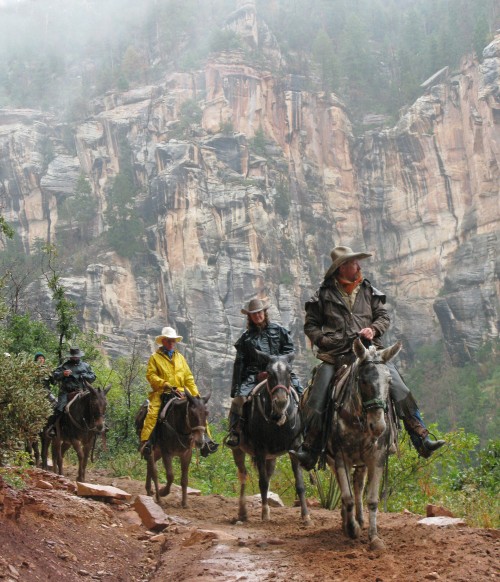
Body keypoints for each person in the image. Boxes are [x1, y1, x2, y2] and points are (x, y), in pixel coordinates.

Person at [291, 246, 445, 471]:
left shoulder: (368, 289)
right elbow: (310, 326)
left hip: (370, 354)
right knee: (317, 396)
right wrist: (325, 340)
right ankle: (310, 448)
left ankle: (420, 437)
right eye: (354, 263)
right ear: (342, 267)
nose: (358, 266)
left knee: (399, 387)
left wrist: (373, 329)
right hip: (336, 356)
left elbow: (383, 316)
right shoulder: (323, 294)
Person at [225, 298, 304, 447]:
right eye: (253, 314)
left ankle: (306, 432)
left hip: (280, 373)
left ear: (264, 312)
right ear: (249, 316)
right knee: (238, 401)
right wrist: (239, 387)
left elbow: (289, 351)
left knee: (302, 394)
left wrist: (278, 365)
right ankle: (235, 432)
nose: (257, 316)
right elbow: (239, 364)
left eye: (259, 312)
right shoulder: (245, 339)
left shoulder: (279, 330)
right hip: (254, 376)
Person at [139, 326, 218, 458]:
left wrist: (195, 395)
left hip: (181, 393)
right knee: (152, 414)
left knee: (199, 411)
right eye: (169, 341)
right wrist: (165, 384)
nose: (171, 343)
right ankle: (147, 443)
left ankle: (207, 441)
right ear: (163, 341)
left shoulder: (180, 358)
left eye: (173, 341)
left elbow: (188, 377)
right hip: (162, 392)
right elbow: (151, 376)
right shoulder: (155, 358)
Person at [46, 347, 97, 436]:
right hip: (66, 392)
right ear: (70, 357)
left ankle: (98, 426)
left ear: (79, 356)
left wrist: (85, 375)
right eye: (73, 356)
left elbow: (93, 377)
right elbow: (54, 375)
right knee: (59, 407)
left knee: (96, 404)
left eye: (76, 356)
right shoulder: (64, 366)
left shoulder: (86, 366)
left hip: (83, 391)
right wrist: (63, 374)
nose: (74, 358)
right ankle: (53, 427)